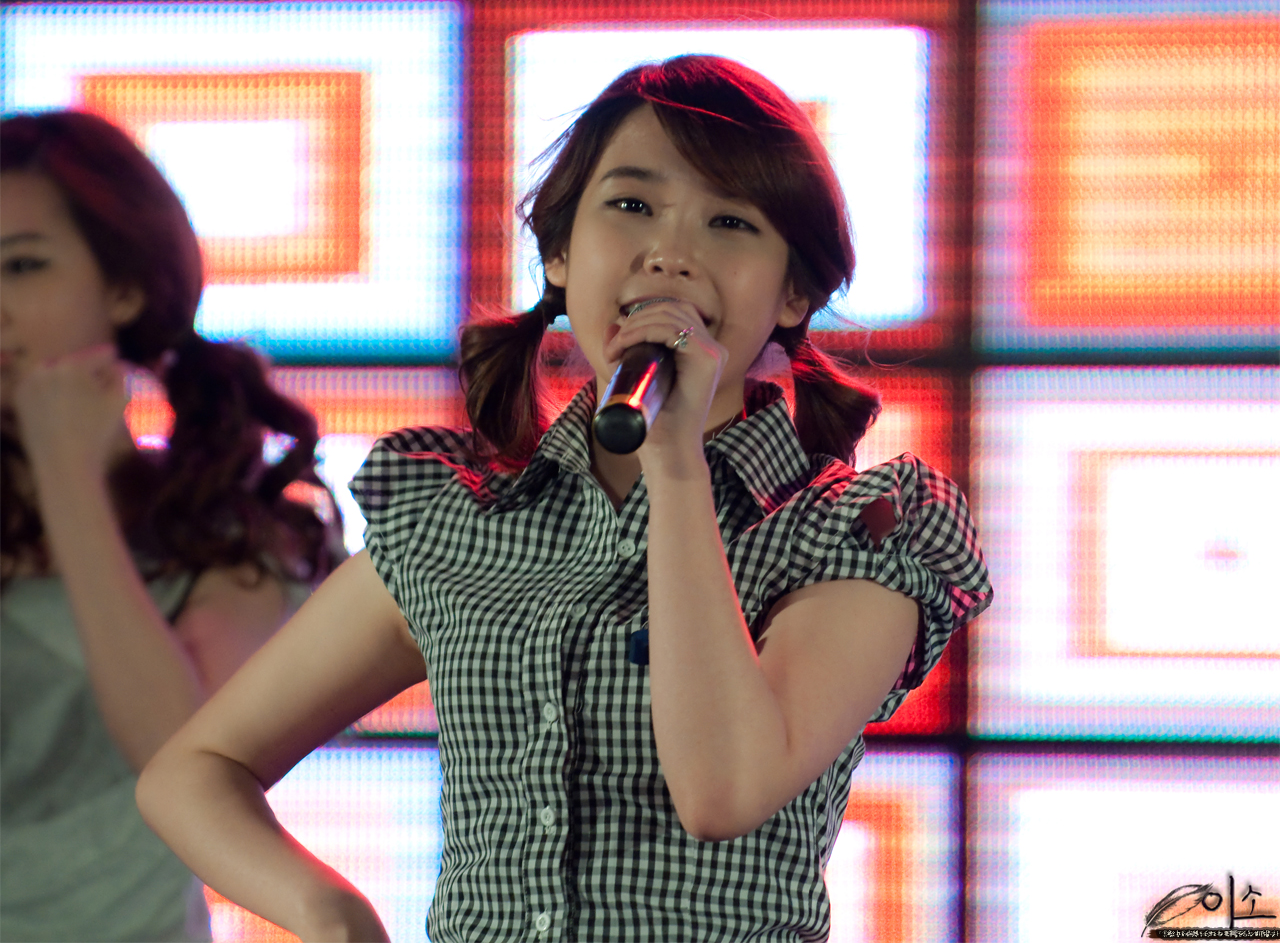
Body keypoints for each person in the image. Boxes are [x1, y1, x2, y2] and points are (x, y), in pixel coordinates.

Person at [138, 56, 992, 942]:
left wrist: (675, 469)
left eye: (731, 220)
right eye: (632, 205)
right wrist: (334, 914)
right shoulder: (457, 520)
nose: (672, 251)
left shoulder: (856, 532)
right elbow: (195, 768)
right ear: (559, 252)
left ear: (793, 292)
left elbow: (724, 788)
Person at [0, 110, 341, 941]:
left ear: (125, 288)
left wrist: (67, 476)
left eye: (21, 265)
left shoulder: (231, 539)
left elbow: (183, 773)